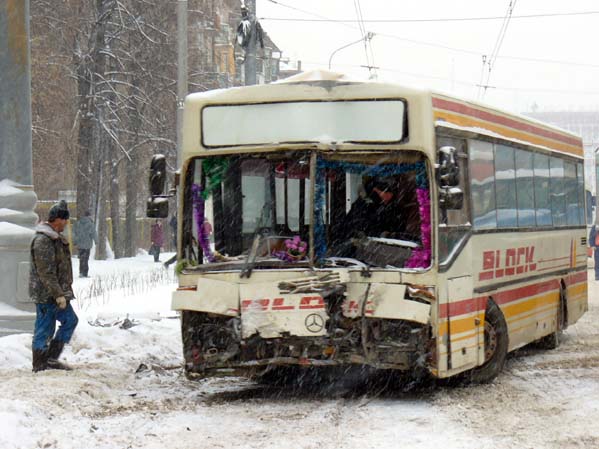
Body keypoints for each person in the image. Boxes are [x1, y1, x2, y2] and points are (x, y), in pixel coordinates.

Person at [30, 200, 78, 372]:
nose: (66, 223)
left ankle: (50, 358)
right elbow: (46, 273)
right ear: (57, 219)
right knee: (44, 328)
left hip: (58, 294)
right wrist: (58, 294)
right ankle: (40, 363)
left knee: (70, 320)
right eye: (64, 220)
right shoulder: (43, 240)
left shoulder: (55, 238)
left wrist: (62, 293)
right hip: (46, 294)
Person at [73, 210, 97, 277]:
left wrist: (75, 241)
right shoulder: (90, 224)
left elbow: (74, 233)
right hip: (87, 244)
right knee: (86, 259)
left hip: (80, 244)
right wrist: (96, 241)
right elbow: (94, 233)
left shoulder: (78, 223)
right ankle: (85, 273)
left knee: (81, 259)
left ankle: (81, 272)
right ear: (89, 216)